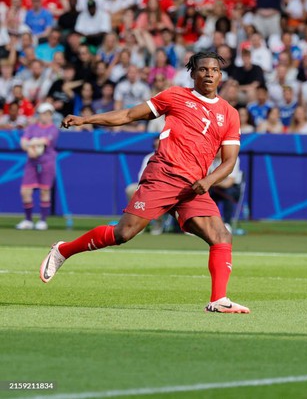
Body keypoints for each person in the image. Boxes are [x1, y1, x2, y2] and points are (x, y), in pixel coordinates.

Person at [39, 51, 250, 314]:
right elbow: (129, 115)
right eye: (203, 69)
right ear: (193, 73)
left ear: (221, 75)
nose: (209, 74)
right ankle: (63, 251)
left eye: (214, 70)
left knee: (221, 236)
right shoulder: (175, 96)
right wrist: (86, 120)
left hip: (194, 186)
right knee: (123, 233)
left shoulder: (229, 114)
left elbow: (229, 161)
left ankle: (218, 299)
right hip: (164, 175)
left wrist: (209, 180)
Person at [16, 102, 60, 231]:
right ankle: (28, 220)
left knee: (45, 191)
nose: (46, 116)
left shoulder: (53, 129)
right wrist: (29, 147)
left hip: (47, 162)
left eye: (48, 114)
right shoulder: (32, 128)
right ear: (39, 115)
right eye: (43, 113)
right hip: (31, 162)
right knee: (25, 191)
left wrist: (32, 143)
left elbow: (45, 142)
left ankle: (42, 221)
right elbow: (23, 142)